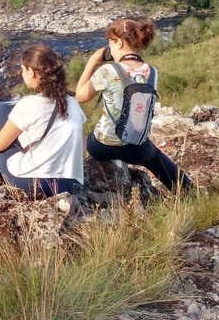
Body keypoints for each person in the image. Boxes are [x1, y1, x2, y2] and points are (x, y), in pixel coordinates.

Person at [75, 18, 192, 192]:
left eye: (111, 43)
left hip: (104, 146)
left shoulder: (108, 70)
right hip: (136, 146)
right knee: (155, 157)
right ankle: (187, 191)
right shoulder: (152, 72)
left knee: (88, 139)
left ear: (119, 42)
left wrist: (92, 62)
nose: (110, 49)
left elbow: (80, 96)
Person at [0, 44, 86, 197]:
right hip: (67, 183)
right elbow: (81, 144)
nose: (22, 74)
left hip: (35, 184)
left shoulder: (29, 104)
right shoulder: (73, 102)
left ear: (32, 72)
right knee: (3, 108)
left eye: (23, 70)